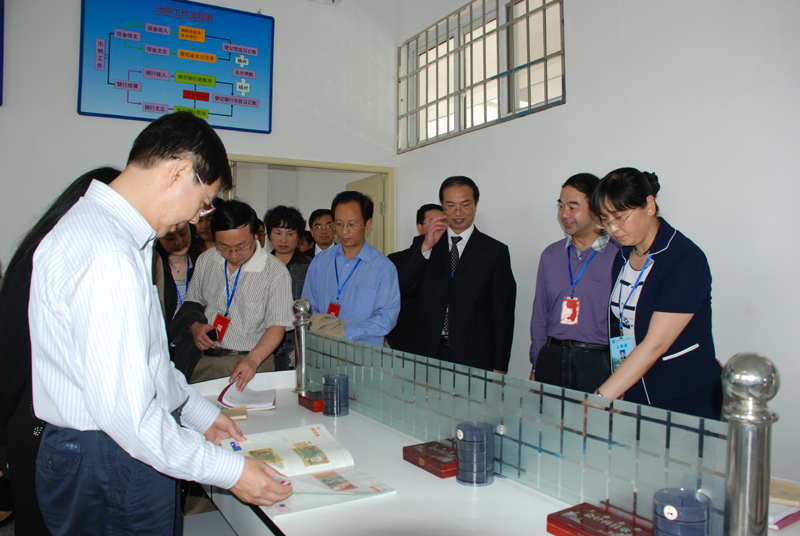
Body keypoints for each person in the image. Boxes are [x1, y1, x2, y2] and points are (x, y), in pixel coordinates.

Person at [29, 112, 292, 535]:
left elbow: (148, 361)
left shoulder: (114, 237)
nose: (195, 218)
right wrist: (230, 471)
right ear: (180, 173)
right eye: (203, 202)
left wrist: (198, 412)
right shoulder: (106, 253)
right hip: (110, 456)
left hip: (114, 450)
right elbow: (128, 415)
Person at [0, 170, 120, 536]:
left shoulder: (101, 261)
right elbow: (11, 363)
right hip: (39, 433)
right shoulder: (43, 260)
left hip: (81, 438)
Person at [590, 167, 722, 419]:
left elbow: (655, 344)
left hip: (682, 394)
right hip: (634, 386)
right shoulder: (623, 256)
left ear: (649, 205)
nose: (613, 228)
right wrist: (618, 383)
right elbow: (622, 325)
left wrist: (599, 399)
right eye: (605, 220)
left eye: (620, 217)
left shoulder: (684, 258)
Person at [397, 177, 516, 373]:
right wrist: (426, 247)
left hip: (474, 356)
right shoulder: (425, 243)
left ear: (476, 204)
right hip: (427, 352)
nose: (458, 213)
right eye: (451, 206)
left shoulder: (495, 252)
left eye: (465, 205)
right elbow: (404, 288)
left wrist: (500, 366)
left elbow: (502, 314)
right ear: (442, 206)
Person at [184, 200, 294, 387]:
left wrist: (253, 359)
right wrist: (195, 327)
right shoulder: (206, 260)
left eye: (241, 247)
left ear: (256, 236)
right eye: (224, 247)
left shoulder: (275, 271)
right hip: (205, 361)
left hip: (252, 365)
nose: (233, 255)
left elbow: (277, 326)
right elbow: (192, 304)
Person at [529, 174, 620, 393]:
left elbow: (623, 323)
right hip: (552, 357)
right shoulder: (550, 255)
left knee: (595, 418)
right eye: (561, 206)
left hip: (598, 361)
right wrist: (538, 361)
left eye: (573, 207)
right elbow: (541, 314)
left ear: (596, 209)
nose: (564, 214)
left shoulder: (619, 254)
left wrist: (620, 372)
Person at [302, 191, 400, 347]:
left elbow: (386, 318)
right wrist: (322, 329)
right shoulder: (320, 262)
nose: (344, 231)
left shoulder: (383, 268)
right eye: (339, 224)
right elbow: (308, 306)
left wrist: (345, 334)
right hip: (322, 348)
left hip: (363, 353)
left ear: (367, 224)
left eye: (352, 224)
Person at [386, 203, 443, 351]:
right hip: (408, 344)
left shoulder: (450, 259)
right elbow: (401, 289)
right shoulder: (396, 260)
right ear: (419, 227)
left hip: (443, 344)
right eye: (433, 223)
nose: (439, 227)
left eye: (443, 223)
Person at [264, 205, 311, 370]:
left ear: (299, 236)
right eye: (278, 233)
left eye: (290, 234)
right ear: (269, 234)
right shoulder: (260, 267)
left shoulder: (310, 267)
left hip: (298, 342)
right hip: (265, 341)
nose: (283, 240)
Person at [155, 222, 203, 325]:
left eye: (183, 233)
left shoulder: (203, 262)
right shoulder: (155, 270)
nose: (179, 242)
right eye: (169, 238)